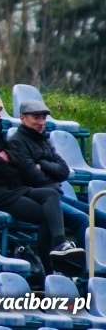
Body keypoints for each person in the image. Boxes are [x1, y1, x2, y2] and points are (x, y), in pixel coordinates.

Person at [0, 91, 84, 274]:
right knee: (47, 216)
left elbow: (12, 159)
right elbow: (1, 167)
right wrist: (9, 162)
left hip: (12, 188)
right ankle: (48, 269)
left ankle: (60, 244)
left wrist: (10, 159)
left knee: (50, 194)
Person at [8, 99, 106, 248]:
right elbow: (33, 177)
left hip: (56, 194)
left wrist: (42, 164)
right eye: (36, 117)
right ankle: (82, 261)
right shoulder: (17, 142)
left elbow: (64, 171)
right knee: (82, 219)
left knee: (101, 218)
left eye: (44, 118)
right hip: (39, 197)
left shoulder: (43, 140)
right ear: (22, 118)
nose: (41, 122)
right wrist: (51, 172)